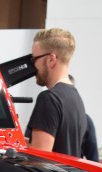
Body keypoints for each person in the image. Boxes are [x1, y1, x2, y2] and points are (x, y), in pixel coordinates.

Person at [27, 28, 86, 157]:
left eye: (34, 59)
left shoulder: (49, 99)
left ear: (51, 60)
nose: (32, 66)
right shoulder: (76, 99)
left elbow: (38, 160)